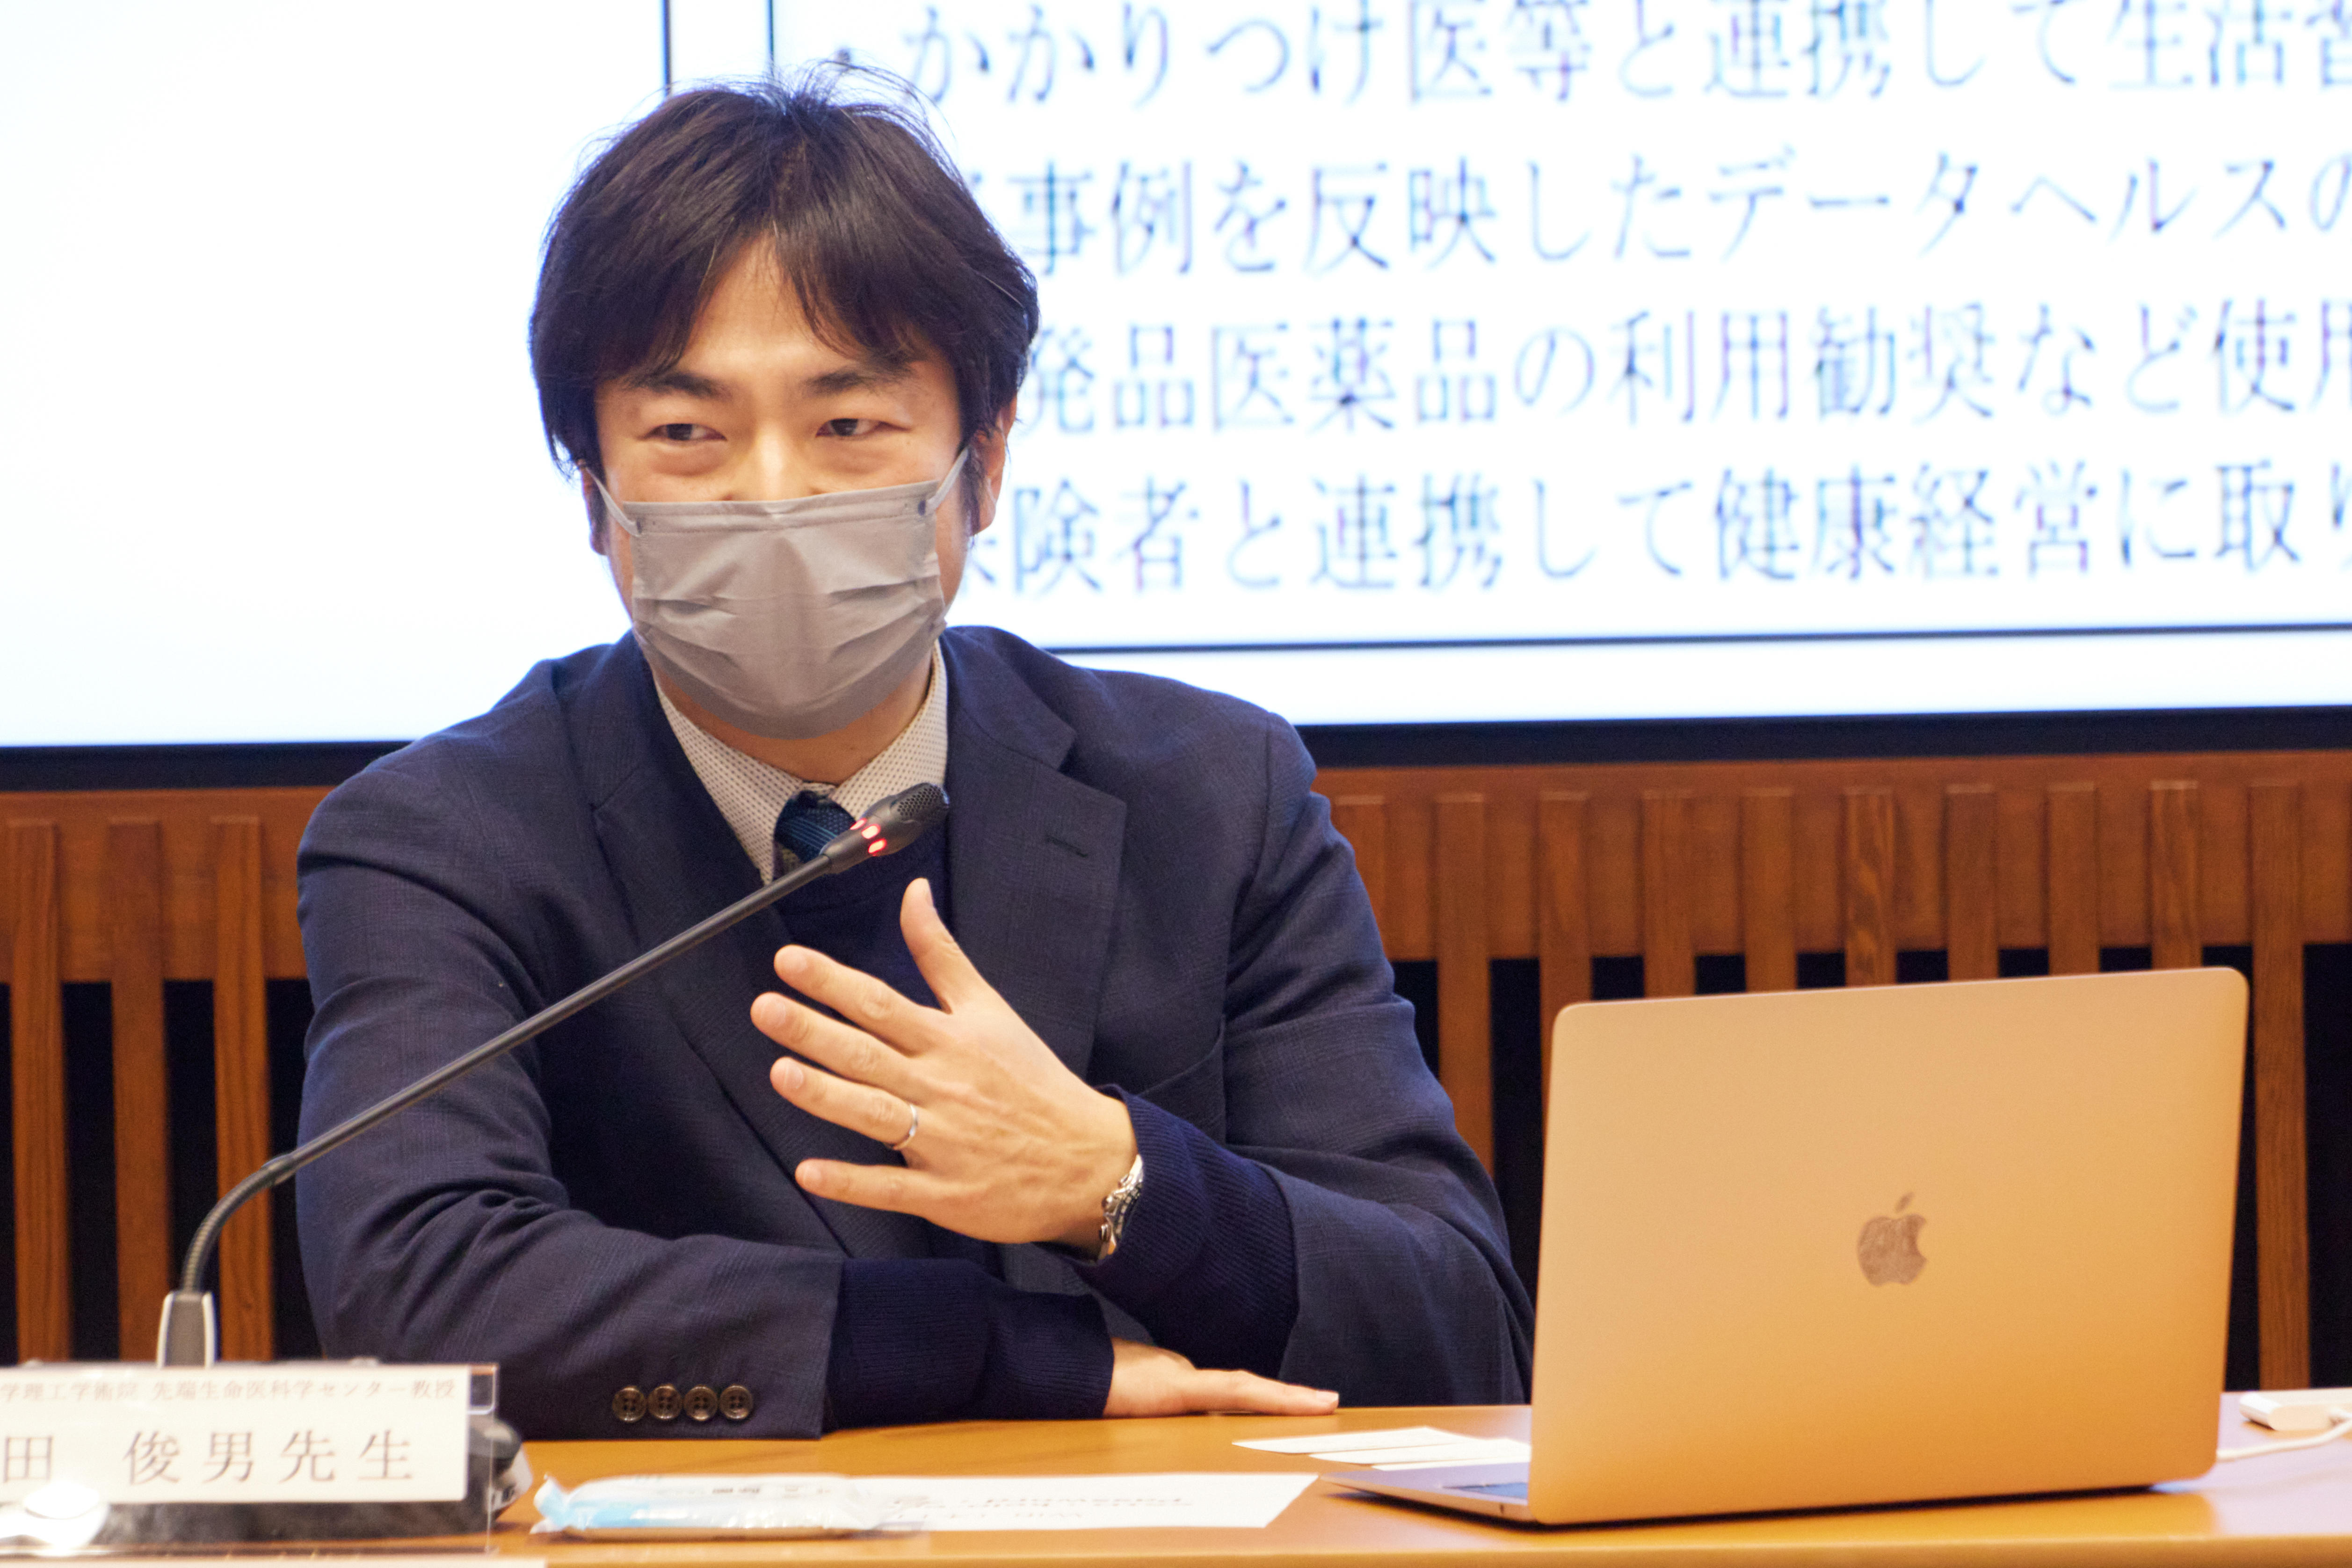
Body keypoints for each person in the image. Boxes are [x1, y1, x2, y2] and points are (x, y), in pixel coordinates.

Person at [294, 69, 1531, 1440]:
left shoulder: (1212, 793)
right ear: (596, 497)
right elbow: (417, 1293)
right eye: (688, 434)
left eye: (849, 426)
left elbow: (1453, 1324)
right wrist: (1007, 1361)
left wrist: (1115, 1184)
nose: (772, 495)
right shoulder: (444, 839)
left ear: (981, 466)